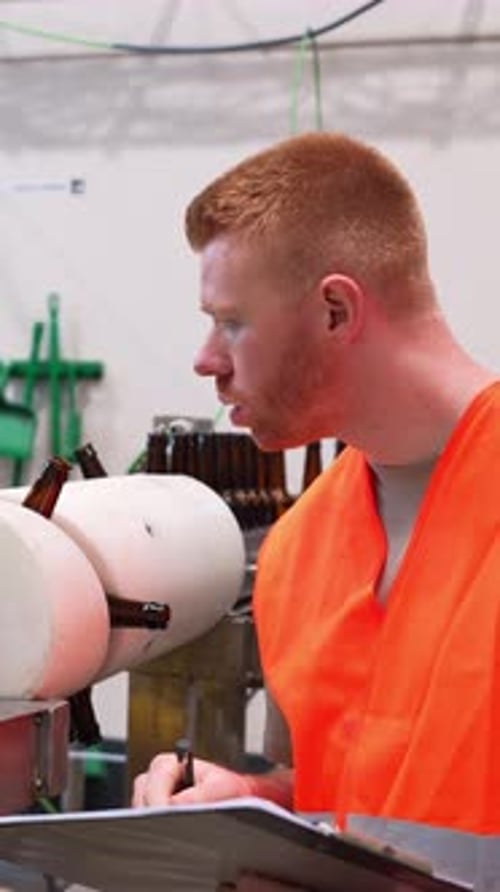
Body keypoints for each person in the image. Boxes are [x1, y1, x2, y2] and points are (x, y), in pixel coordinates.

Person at [133, 132, 500, 889]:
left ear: (336, 310)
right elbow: (352, 805)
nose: (206, 358)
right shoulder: (301, 547)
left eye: (231, 321)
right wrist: (260, 801)